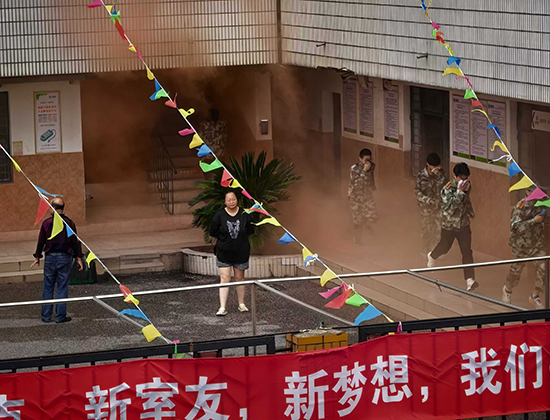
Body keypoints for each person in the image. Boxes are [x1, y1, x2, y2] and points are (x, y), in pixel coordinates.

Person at [31, 198, 83, 323]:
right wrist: (78, 257)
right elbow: (75, 242)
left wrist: (37, 256)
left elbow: (41, 241)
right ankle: (60, 316)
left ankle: (46, 316)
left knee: (48, 287)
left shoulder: (46, 223)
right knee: (62, 287)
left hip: (50, 257)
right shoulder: (69, 223)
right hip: (64, 257)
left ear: (53, 208)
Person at [428, 162, 477, 291]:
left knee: (466, 251)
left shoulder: (467, 186)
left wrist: (470, 212)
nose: (464, 181)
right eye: (461, 178)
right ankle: (432, 256)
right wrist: (460, 192)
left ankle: (470, 279)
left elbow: (466, 200)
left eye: (466, 178)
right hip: (449, 224)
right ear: (455, 176)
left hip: (463, 224)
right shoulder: (447, 189)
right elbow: (450, 208)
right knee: (444, 247)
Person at [210, 191, 254, 316]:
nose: (231, 202)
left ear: (237, 200)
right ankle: (222, 307)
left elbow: (250, 231)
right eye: (228, 200)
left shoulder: (245, 214)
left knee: (239, 278)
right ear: (225, 202)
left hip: (241, 251)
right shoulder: (219, 215)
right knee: (225, 278)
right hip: (223, 252)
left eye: (233, 199)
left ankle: (241, 304)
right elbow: (213, 233)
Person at [502, 186, 546, 309]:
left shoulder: (542, 205)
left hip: (537, 245)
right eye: (534, 191)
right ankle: (507, 290)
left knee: (544, 269)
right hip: (521, 245)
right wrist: (533, 221)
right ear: (528, 192)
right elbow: (515, 227)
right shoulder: (520, 206)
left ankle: (535, 295)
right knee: (515, 272)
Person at [415, 153, 447, 256]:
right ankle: (425, 250)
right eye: (433, 166)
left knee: (438, 231)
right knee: (426, 231)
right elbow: (417, 192)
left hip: (438, 207)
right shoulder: (421, 175)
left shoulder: (441, 174)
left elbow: (445, 188)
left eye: (437, 166)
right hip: (426, 209)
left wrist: (438, 176)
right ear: (428, 164)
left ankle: (435, 252)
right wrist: (428, 200)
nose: (435, 168)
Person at [348, 148, 378, 244]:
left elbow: (371, 178)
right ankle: (357, 239)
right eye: (365, 160)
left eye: (369, 159)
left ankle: (366, 223)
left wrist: (372, 188)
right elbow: (357, 185)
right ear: (360, 159)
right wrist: (364, 170)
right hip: (355, 197)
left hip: (367, 196)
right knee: (358, 220)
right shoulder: (354, 169)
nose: (368, 162)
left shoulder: (372, 166)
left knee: (373, 216)